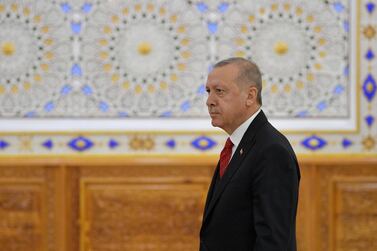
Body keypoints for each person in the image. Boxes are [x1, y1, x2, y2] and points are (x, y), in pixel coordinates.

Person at [199, 57, 300, 251]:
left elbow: (273, 242)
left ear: (250, 96)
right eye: (208, 91)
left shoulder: (272, 151)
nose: (209, 101)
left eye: (219, 91)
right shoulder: (238, 145)